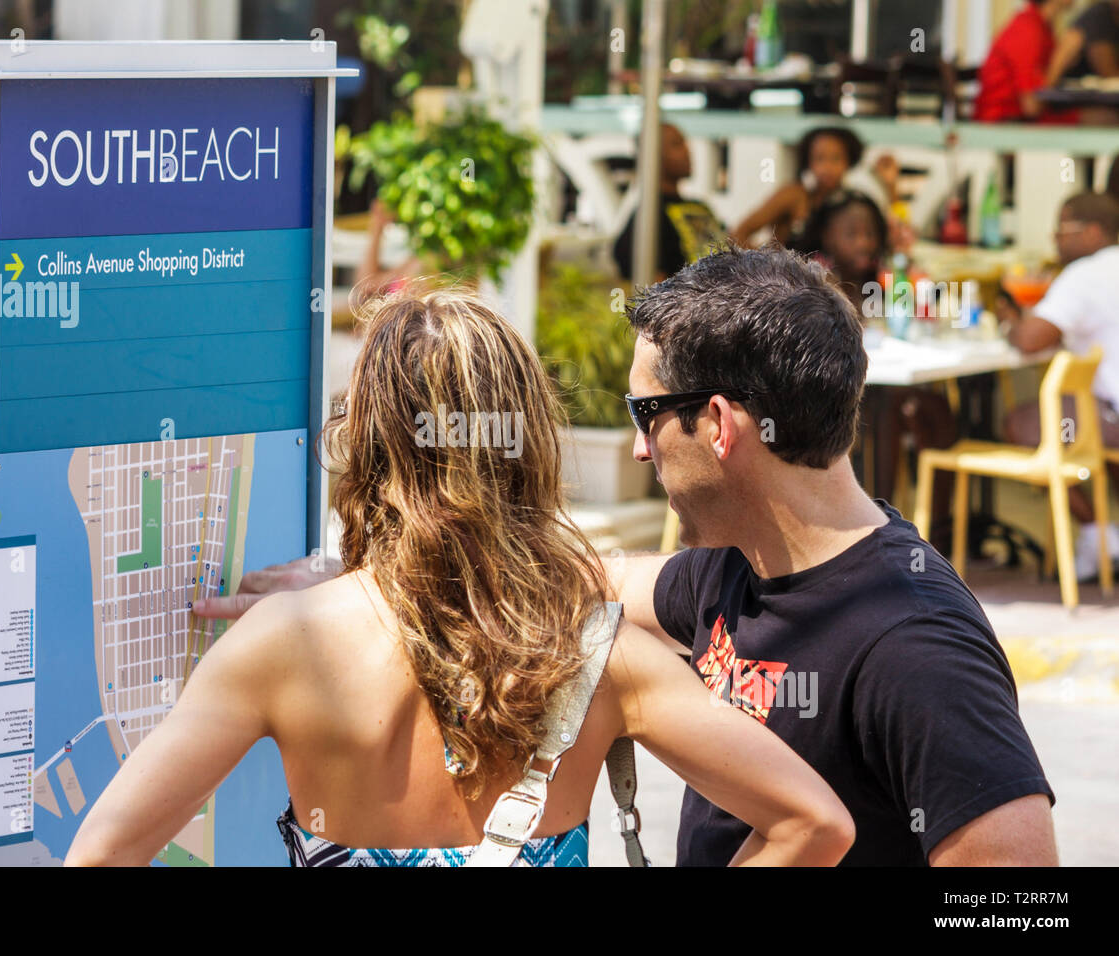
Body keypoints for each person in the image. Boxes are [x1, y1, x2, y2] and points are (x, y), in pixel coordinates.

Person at [202, 247, 1059, 867]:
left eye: (645, 414)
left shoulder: (912, 641)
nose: (640, 451)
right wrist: (367, 587)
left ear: (718, 426)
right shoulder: (740, 571)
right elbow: (561, 573)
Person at [67, 285, 855, 867]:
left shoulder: (283, 645)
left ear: (370, 441)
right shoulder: (601, 654)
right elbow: (815, 822)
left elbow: (100, 855)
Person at [795, 190, 959, 547]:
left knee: (933, 409)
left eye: (870, 233)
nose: (864, 242)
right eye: (852, 234)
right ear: (827, 237)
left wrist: (904, 260)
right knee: (888, 410)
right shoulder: (819, 277)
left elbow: (926, 299)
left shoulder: (883, 275)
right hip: (825, 397)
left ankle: (939, 526)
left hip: (880, 381)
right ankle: (879, 524)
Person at [998, 191, 1119, 580]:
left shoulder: (1087, 274)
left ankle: (1098, 532)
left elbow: (1031, 339)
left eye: (1063, 229)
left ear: (1094, 232)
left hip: (1110, 416)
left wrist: (1007, 321)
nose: (1056, 240)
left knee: (1019, 424)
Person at [730, 126, 897, 249]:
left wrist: (890, 185)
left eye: (836, 158)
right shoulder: (793, 196)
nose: (827, 168)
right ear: (809, 163)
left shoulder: (851, 203)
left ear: (848, 162)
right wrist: (767, 266)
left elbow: (885, 239)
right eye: (820, 159)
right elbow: (738, 234)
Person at [613, 122, 726, 282]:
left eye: (686, 143)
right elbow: (649, 285)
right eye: (677, 144)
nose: (688, 150)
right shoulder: (649, 216)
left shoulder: (700, 207)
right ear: (653, 154)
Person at [974, 0, 1079, 123]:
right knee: (1098, 117)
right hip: (1003, 124)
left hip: (1022, 119)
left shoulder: (1042, 26)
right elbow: (1032, 106)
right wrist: (1061, 60)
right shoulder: (1027, 29)